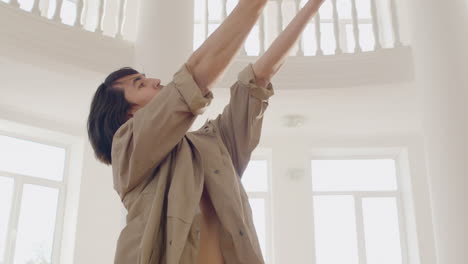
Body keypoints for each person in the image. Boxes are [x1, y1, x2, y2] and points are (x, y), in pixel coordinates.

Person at [87, 0, 326, 263]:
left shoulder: (213, 145)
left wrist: (313, 6)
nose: (155, 80)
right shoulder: (128, 149)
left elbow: (258, 79)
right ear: (129, 115)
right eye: (140, 84)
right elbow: (198, 74)